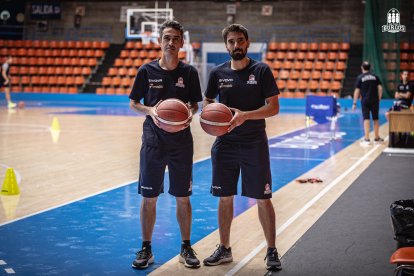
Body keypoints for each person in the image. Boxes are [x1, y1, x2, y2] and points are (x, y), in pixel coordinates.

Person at [202, 24, 281, 272]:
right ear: (226, 46)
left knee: (262, 198)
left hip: (254, 143)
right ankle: (224, 248)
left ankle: (271, 250)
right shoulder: (217, 73)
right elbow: (207, 101)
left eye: (240, 41)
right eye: (232, 42)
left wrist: (245, 115)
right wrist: (212, 117)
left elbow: (274, 107)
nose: (236, 45)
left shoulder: (261, 70)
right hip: (225, 143)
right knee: (225, 198)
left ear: (247, 43)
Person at [129, 20, 202, 269]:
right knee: (149, 197)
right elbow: (133, 102)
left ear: (182, 42)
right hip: (153, 141)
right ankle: (146, 249)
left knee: (183, 196)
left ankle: (186, 247)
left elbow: (195, 104)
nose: (171, 42)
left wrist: (189, 113)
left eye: (175, 38)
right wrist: (150, 110)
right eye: (166, 38)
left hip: (181, 141)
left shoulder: (189, 73)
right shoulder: (146, 71)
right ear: (160, 41)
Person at [352, 61, 383, 145]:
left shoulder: (360, 77)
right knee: (376, 119)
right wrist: (379, 98)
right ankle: (377, 138)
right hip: (374, 100)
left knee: (366, 119)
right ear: (370, 68)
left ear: (362, 67)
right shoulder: (375, 77)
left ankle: (367, 139)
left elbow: (357, 91)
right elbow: (380, 88)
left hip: (365, 100)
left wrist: (354, 103)